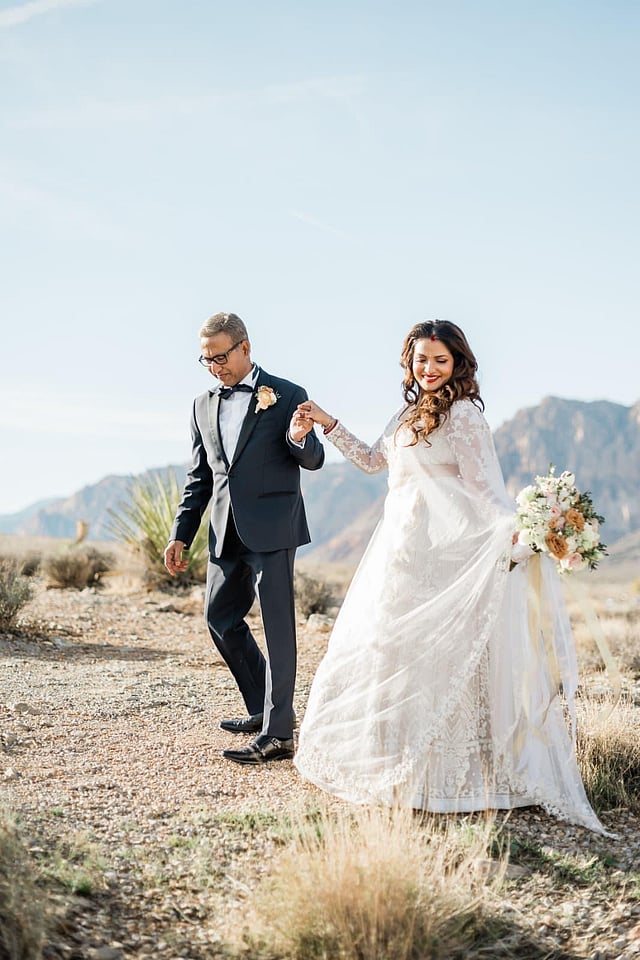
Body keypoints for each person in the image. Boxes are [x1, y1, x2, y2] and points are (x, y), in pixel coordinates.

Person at [291, 319, 606, 834]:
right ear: (409, 362)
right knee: (386, 650)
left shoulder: (464, 416)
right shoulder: (406, 412)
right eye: (421, 360)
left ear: (458, 362)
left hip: (444, 555)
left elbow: (485, 493)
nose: (430, 369)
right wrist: (327, 422)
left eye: (440, 360)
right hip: (397, 552)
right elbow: (373, 463)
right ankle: (392, 765)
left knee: (436, 657)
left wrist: (519, 535)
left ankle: (448, 778)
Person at [164, 312, 324, 765]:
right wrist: (181, 533)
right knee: (220, 618)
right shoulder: (201, 405)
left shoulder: (289, 394)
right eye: (206, 360)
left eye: (221, 357)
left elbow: (312, 458)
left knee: (278, 631)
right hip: (223, 527)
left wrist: (298, 436)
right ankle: (261, 707)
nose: (216, 367)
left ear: (245, 348)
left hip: (273, 526)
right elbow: (200, 476)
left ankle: (279, 733)